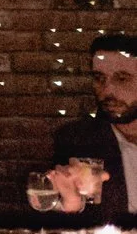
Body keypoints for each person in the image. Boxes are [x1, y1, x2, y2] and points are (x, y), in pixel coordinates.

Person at [49, 35, 137, 223]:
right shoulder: (78, 140)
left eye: (122, 79)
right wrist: (71, 202)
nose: (107, 91)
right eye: (99, 78)